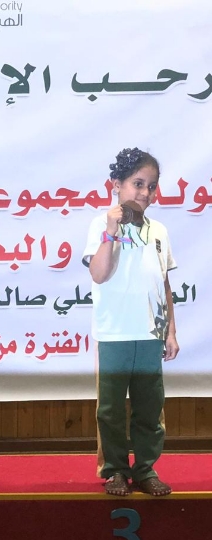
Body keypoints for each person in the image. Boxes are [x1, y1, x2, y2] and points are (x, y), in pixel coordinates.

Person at [82, 147, 179, 496]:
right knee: (110, 410)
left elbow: (164, 283)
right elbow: (99, 273)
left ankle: (145, 469)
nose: (145, 193)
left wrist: (171, 331)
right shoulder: (100, 225)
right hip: (114, 333)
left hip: (150, 333)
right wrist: (111, 231)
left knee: (149, 408)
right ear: (116, 185)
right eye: (138, 183)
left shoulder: (159, 231)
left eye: (151, 186)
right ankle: (115, 471)